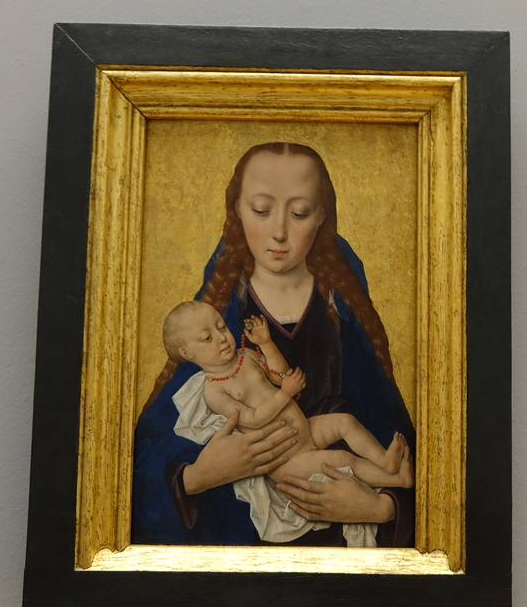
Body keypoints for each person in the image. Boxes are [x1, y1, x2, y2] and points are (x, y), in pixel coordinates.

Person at [132, 141, 415, 547]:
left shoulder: (343, 308)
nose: (279, 231)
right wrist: (196, 477)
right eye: (262, 210)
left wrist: (381, 509)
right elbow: (145, 461)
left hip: (342, 531)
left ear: (322, 215)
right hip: (246, 539)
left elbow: (404, 441)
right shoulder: (212, 321)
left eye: (298, 213)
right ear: (237, 212)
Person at [163, 301, 413, 489]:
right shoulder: (214, 390)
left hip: (305, 431)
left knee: (345, 421)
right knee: (342, 458)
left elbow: (278, 375)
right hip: (286, 460)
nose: (221, 338)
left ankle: (384, 460)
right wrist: (285, 395)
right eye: (207, 338)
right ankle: (397, 480)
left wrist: (266, 344)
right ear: (187, 353)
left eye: (221, 327)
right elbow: (251, 419)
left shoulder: (245, 356)